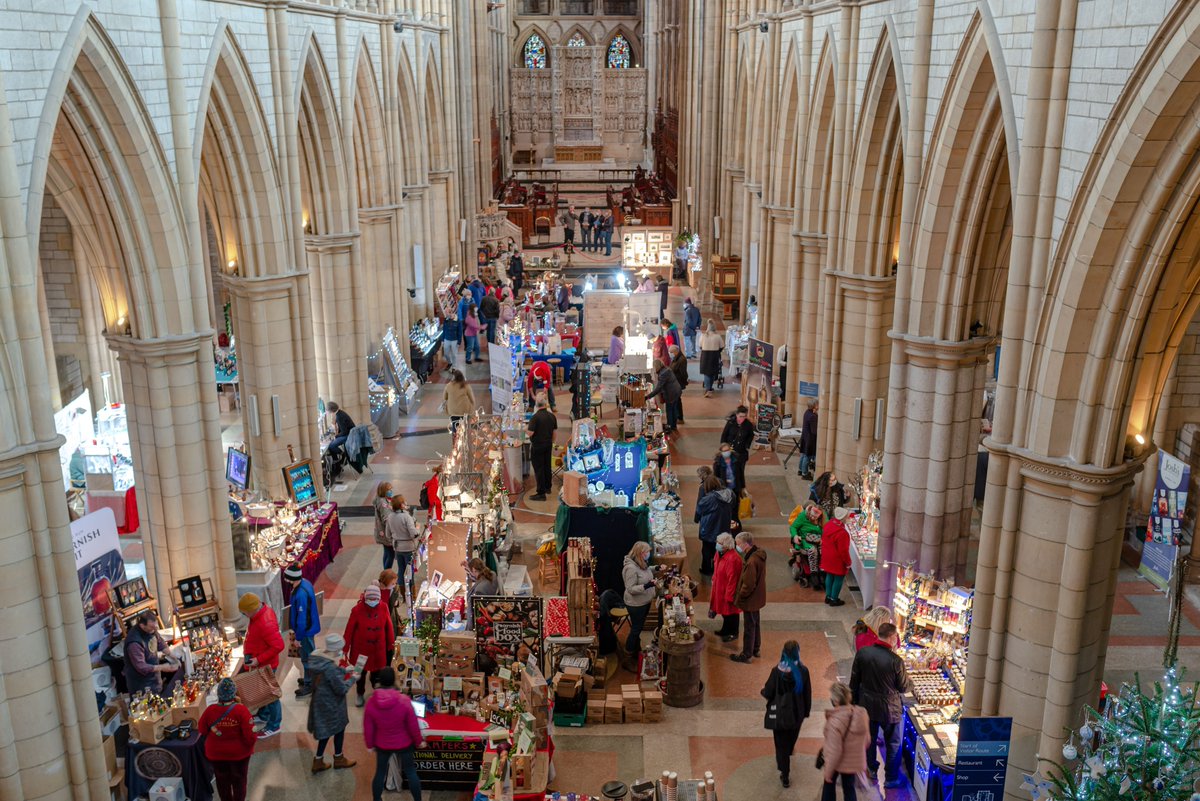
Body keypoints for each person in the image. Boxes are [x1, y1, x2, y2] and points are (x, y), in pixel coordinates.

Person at [850, 622, 912, 788]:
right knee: (893, 743)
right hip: (889, 708)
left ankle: (871, 768)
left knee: (869, 739)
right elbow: (903, 687)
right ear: (892, 637)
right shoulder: (896, 661)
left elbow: (854, 680)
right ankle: (891, 778)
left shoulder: (863, 653)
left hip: (867, 704)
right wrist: (910, 681)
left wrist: (854, 702)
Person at [364, 667, 425, 801]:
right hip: (404, 743)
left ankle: (377, 799)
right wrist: (418, 741)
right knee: (410, 772)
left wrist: (369, 744)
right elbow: (413, 725)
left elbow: (368, 726)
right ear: (394, 680)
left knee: (380, 772)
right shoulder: (404, 700)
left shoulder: (371, 702)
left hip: (382, 743)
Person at [760, 640, 812, 787]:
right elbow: (807, 693)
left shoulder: (776, 672)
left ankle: (785, 773)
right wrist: (806, 711)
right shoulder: (803, 671)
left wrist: (763, 691)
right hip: (797, 714)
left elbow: (769, 692)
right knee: (791, 738)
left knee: (780, 744)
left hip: (780, 715)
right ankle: (789, 750)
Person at [198, 678, 256, 801]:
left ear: (218, 694)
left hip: (216, 754)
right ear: (234, 693)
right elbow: (250, 735)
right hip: (239, 754)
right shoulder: (241, 710)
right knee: (239, 780)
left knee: (221, 781)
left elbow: (202, 729)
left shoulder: (210, 710)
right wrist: (248, 747)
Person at [307, 633, 357, 773]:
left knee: (325, 732)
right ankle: (339, 758)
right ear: (336, 649)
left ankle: (318, 760)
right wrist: (353, 678)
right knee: (338, 729)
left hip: (320, 701)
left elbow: (327, 677)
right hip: (332, 704)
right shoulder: (330, 667)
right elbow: (341, 689)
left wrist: (342, 670)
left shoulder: (317, 658)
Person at [238, 593, 284, 738]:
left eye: (244, 613)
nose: (244, 615)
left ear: (251, 610)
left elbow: (278, 645)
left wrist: (258, 660)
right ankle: (264, 715)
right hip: (261, 663)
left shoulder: (266, 623)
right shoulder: (260, 613)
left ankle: (274, 725)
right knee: (263, 692)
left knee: (271, 696)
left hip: (266, 665)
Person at [344, 583, 395, 707]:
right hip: (360, 650)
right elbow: (349, 629)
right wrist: (345, 648)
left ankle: (376, 692)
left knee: (377, 673)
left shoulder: (383, 607)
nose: (373, 601)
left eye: (375, 599)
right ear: (365, 598)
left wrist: (391, 643)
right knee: (359, 675)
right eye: (370, 599)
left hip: (378, 649)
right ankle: (359, 693)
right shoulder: (357, 610)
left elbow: (389, 626)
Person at [822, 682, 870, 801]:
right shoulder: (861, 713)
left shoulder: (835, 721)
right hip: (853, 763)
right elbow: (867, 740)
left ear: (836, 701)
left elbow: (835, 751)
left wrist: (828, 772)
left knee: (828, 787)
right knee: (849, 789)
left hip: (837, 763)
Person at [123, 611, 179, 695]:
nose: (154, 630)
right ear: (142, 626)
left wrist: (172, 656)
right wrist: (163, 667)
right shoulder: (134, 643)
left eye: (155, 627)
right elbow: (141, 667)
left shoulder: (152, 630)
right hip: (141, 685)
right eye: (152, 628)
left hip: (155, 680)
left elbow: (160, 642)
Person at [286, 564, 322, 698]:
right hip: (309, 628)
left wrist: (298, 638)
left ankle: (309, 685)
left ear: (291, 579)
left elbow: (302, 620)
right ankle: (309, 679)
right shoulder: (305, 583)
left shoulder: (300, 594)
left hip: (305, 632)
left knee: (307, 659)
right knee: (307, 657)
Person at [731, 531, 766, 663]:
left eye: (738, 543)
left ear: (746, 544)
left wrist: (740, 596)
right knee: (755, 623)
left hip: (750, 599)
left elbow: (749, 584)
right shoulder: (759, 555)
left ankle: (746, 654)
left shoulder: (751, 561)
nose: (737, 546)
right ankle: (756, 648)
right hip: (758, 597)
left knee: (749, 626)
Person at [621, 541, 657, 656]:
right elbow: (630, 588)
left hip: (644, 601)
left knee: (639, 627)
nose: (648, 554)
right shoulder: (630, 568)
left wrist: (656, 568)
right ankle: (629, 651)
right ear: (641, 553)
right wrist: (647, 586)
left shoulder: (640, 562)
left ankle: (636, 648)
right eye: (647, 552)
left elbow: (645, 570)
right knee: (636, 629)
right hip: (636, 604)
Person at [694, 474, 734, 575]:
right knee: (721, 550)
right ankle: (719, 568)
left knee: (707, 550)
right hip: (723, 526)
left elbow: (700, 509)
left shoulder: (709, 499)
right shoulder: (730, 494)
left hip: (709, 528)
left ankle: (707, 569)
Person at [709, 533, 741, 642]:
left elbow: (733, 579)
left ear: (726, 546)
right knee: (724, 612)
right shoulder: (719, 553)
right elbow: (716, 567)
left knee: (731, 613)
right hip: (719, 588)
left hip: (727, 590)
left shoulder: (733, 559)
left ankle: (733, 632)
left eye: (720, 543)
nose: (717, 544)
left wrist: (729, 595)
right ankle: (725, 629)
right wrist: (714, 578)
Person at [789, 502, 825, 591]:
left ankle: (822, 571)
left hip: (818, 539)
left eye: (815, 517)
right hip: (805, 539)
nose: (812, 518)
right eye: (812, 516)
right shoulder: (802, 516)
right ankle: (814, 574)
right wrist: (795, 536)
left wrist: (823, 539)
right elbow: (793, 527)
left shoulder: (823, 518)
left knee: (823, 551)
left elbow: (826, 529)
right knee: (813, 550)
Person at [527, 397, 557, 501]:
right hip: (548, 444)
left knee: (539, 468)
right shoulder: (552, 416)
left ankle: (541, 493)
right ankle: (548, 487)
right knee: (547, 465)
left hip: (537, 446)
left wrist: (525, 430)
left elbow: (530, 433)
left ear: (536, 405)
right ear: (546, 404)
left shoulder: (535, 418)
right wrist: (551, 443)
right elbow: (554, 433)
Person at [821, 507, 852, 606]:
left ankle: (828, 596)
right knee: (838, 578)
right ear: (843, 518)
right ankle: (834, 599)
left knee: (829, 576)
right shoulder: (842, 533)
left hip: (827, 556)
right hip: (837, 560)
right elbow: (843, 551)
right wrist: (848, 562)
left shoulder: (829, 524)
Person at [387, 495, 421, 586]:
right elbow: (414, 534)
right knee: (409, 572)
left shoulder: (390, 516)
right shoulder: (406, 517)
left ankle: (402, 592)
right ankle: (410, 592)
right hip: (408, 548)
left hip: (398, 548)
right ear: (401, 505)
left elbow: (387, 534)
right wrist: (417, 528)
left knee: (401, 570)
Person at [646, 361, 683, 433]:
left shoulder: (663, 374)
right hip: (676, 391)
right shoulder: (667, 369)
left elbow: (658, 388)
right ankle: (673, 426)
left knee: (669, 410)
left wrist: (648, 396)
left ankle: (670, 427)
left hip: (671, 393)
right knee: (674, 409)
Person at [466, 557, 501, 628]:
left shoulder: (479, 590)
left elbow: (475, 612)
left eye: (471, 571)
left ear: (474, 570)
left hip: (481, 623)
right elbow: (481, 579)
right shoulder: (492, 574)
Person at [374, 481, 396, 569]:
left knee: (387, 552)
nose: (391, 491)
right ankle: (387, 573)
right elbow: (386, 519)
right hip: (386, 533)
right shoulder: (383, 504)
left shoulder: (380, 499)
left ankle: (385, 571)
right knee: (391, 554)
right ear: (383, 491)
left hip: (381, 532)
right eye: (389, 490)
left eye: (391, 489)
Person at [699, 321, 724, 397]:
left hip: (705, 355)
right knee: (713, 372)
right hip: (714, 355)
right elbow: (722, 346)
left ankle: (708, 388)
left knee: (706, 373)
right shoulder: (717, 336)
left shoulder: (703, 336)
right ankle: (709, 388)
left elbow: (700, 346)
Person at [668, 344, 689, 426]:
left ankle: (680, 417)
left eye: (671, 352)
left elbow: (683, 373)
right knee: (677, 400)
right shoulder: (676, 358)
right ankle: (678, 417)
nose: (670, 354)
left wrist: (684, 382)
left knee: (677, 401)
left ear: (676, 351)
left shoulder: (681, 360)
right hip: (675, 382)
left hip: (678, 382)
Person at [799, 398, 819, 479]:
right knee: (808, 456)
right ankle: (805, 473)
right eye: (817, 404)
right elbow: (815, 431)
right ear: (814, 406)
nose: (818, 406)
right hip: (810, 439)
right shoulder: (813, 416)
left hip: (805, 437)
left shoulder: (807, 412)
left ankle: (800, 470)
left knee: (804, 454)